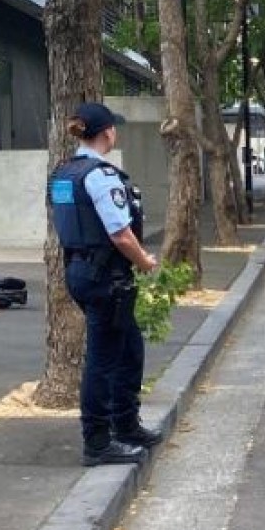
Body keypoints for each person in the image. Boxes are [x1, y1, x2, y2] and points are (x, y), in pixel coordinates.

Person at [48, 102, 162, 467]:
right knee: (104, 359)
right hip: (105, 277)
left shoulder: (65, 174)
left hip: (80, 271)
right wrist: (144, 260)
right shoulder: (101, 176)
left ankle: (126, 426)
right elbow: (120, 233)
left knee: (129, 348)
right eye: (113, 129)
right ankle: (98, 441)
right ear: (106, 132)